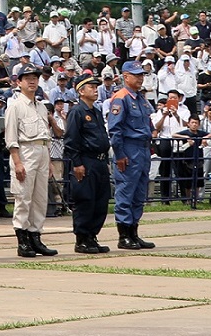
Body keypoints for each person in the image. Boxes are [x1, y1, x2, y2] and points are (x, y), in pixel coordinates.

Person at [2, 63, 58, 258]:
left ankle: (36, 236)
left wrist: (49, 161)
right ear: (19, 82)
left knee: (40, 199)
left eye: (35, 77)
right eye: (28, 78)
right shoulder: (15, 106)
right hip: (25, 152)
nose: (32, 81)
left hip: (42, 151)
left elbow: (46, 136)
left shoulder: (41, 106)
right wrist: (17, 162)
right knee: (23, 197)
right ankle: (22, 239)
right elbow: (11, 138)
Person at [106, 59, 157, 250]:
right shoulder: (121, 97)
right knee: (126, 191)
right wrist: (119, 154)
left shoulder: (140, 98)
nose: (140, 78)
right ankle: (124, 235)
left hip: (143, 148)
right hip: (128, 148)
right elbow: (115, 129)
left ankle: (134, 232)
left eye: (142, 75)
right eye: (136, 75)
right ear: (125, 77)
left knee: (139, 193)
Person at [63, 72, 113, 253]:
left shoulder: (96, 111)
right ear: (81, 91)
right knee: (86, 200)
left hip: (99, 162)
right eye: (91, 87)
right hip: (86, 161)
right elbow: (71, 140)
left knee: (100, 201)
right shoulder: (77, 112)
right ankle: (82, 238)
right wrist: (77, 163)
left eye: (95, 86)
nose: (95, 90)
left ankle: (92, 236)